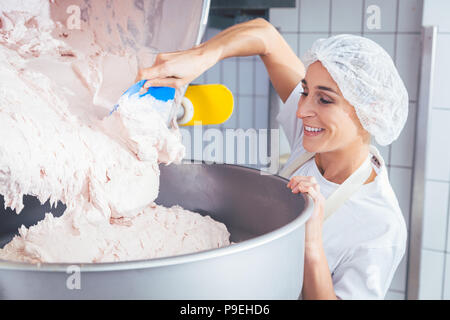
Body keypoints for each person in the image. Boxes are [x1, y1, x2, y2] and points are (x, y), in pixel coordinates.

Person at [137, 18, 408, 300]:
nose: (302, 111)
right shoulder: (315, 141)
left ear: (371, 113)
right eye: (305, 92)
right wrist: (199, 59)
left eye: (324, 100)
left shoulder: (380, 228)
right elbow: (265, 36)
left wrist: (311, 243)